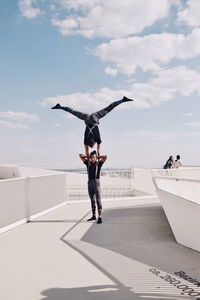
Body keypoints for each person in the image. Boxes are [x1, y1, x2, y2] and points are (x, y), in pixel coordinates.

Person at [52, 96, 133, 157]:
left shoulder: (98, 139)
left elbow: (98, 150)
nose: (94, 146)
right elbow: (86, 150)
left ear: (93, 143)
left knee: (108, 109)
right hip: (86, 118)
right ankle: (60, 107)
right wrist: (87, 156)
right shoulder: (86, 140)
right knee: (74, 112)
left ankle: (122, 100)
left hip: (95, 118)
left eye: (93, 145)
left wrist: (98, 155)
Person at [79, 150, 107, 224]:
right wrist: (87, 157)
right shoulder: (88, 163)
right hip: (90, 183)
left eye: (94, 157)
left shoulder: (99, 163)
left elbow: (105, 157)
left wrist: (98, 157)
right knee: (92, 200)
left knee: (98, 200)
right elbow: (80, 155)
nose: (92, 159)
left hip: (96, 182)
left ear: (96, 157)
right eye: (91, 157)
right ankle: (93, 215)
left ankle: (100, 217)